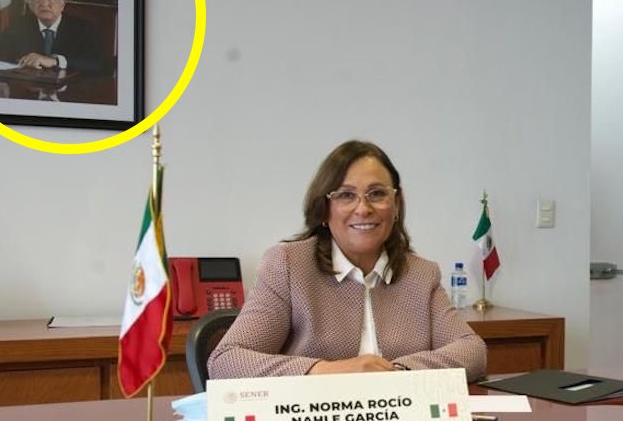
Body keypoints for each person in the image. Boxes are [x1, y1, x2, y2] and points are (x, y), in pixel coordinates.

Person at [208, 140, 487, 382]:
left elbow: (472, 350)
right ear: (324, 210)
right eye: (345, 195)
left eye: (377, 194)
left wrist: (399, 373)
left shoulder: (421, 274)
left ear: (396, 205)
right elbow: (226, 361)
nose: (363, 208)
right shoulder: (288, 265)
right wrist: (324, 371)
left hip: (399, 419)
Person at [0, 0, 105, 74]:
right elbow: (2, 54)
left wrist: (56, 61)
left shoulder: (83, 28)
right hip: (30, 85)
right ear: (29, 4)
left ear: (62, 4)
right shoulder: (18, 26)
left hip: (71, 87)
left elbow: (97, 64)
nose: (44, 4)